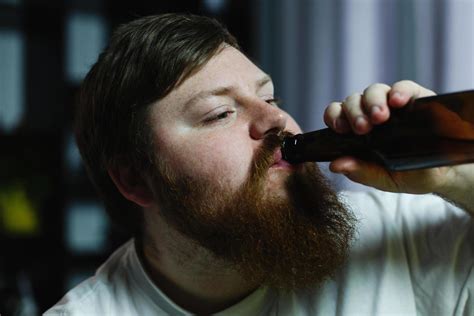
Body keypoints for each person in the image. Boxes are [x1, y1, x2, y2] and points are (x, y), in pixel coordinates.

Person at [45, 13, 473, 315]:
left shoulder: (396, 237)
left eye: (269, 98)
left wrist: (455, 177)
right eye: (219, 114)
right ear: (137, 180)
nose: (276, 120)